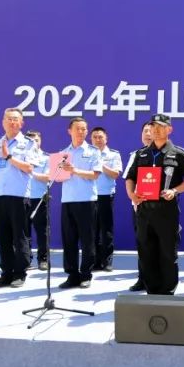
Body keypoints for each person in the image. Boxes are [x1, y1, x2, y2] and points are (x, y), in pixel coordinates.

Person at [124, 113, 184, 296]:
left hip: (166, 211)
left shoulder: (178, 153)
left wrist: (175, 191)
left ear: (169, 129)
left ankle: (167, 293)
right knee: (146, 252)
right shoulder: (141, 154)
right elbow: (130, 177)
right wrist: (132, 194)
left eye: (160, 127)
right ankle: (151, 292)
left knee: (167, 253)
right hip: (144, 211)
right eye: (153, 127)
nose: (155, 130)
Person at [0, 108, 39, 289]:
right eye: (9, 119)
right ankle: (6, 273)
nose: (12, 122)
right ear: (3, 122)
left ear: (21, 123)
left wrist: (8, 156)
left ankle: (20, 273)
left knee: (19, 236)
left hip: (19, 196)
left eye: (15, 119)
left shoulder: (28, 143)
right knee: (3, 236)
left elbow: (29, 168)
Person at [56, 117, 102, 289]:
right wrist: (60, 172)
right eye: (78, 129)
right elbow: (57, 178)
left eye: (84, 129)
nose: (81, 132)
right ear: (70, 131)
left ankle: (86, 274)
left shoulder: (93, 151)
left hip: (87, 201)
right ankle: (72, 275)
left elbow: (95, 175)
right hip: (68, 200)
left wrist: (74, 170)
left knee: (87, 240)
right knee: (69, 240)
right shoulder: (63, 153)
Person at [123, 122, 153, 291]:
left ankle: (159, 280)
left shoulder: (167, 154)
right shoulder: (136, 155)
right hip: (140, 206)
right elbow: (129, 178)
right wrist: (132, 196)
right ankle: (143, 279)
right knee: (143, 244)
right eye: (145, 131)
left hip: (160, 208)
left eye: (151, 131)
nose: (148, 134)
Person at [90, 126, 123, 272]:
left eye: (100, 137)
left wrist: (101, 164)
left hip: (105, 195)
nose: (97, 140)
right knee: (92, 230)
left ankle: (107, 260)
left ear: (106, 138)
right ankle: (95, 261)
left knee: (106, 229)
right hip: (89, 196)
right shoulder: (87, 154)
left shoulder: (113, 154)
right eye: (95, 137)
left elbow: (115, 174)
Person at [25, 131, 51, 271]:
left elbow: (48, 177)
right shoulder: (20, 157)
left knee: (42, 231)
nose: (34, 143)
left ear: (40, 141)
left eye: (36, 140)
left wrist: (31, 172)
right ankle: (25, 260)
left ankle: (43, 259)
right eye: (30, 140)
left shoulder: (47, 157)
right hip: (22, 197)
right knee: (23, 231)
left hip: (39, 198)